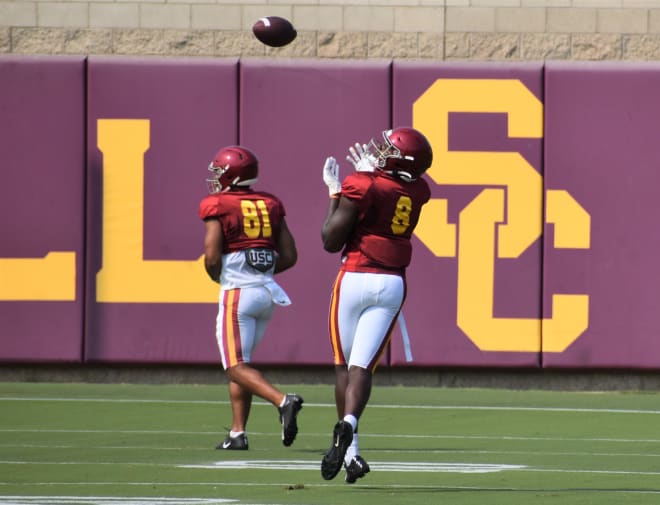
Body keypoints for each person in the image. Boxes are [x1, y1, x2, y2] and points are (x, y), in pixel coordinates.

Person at [319, 127, 433, 483]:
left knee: (343, 366)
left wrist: (336, 192)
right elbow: (391, 190)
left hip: (355, 275)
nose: (378, 150)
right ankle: (350, 442)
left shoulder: (363, 184)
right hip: (392, 282)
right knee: (363, 368)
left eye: (387, 149)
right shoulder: (419, 190)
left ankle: (347, 440)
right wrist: (370, 176)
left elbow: (329, 238)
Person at [199, 145, 303, 451]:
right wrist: (262, 272)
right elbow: (290, 255)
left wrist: (220, 275)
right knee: (242, 365)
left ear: (231, 174)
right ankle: (237, 433)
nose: (215, 177)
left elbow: (211, 254)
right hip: (266, 292)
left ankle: (283, 401)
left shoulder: (217, 204)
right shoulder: (270, 203)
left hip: (238, 292)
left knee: (234, 367)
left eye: (219, 171)